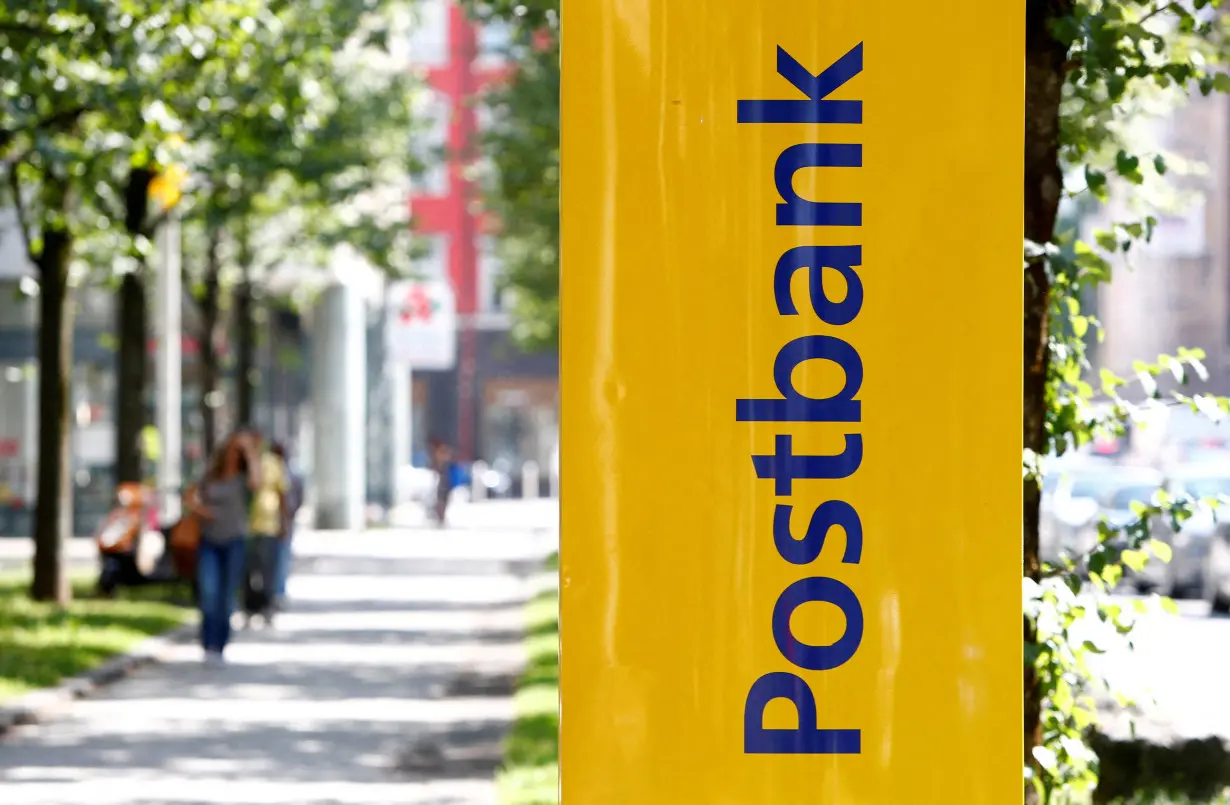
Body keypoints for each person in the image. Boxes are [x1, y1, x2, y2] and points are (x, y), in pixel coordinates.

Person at [186, 432, 260, 666]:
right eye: (231, 449)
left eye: (238, 452)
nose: (233, 455)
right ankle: (208, 644)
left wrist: (249, 450)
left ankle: (220, 645)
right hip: (209, 540)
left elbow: (257, 483)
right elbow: (189, 496)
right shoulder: (211, 475)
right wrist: (202, 512)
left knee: (226, 596)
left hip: (234, 541)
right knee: (209, 594)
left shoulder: (243, 477)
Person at [244, 429, 290, 625]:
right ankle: (250, 607)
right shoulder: (242, 464)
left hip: (268, 523)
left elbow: (282, 493)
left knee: (267, 568)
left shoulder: (273, 462)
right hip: (245, 525)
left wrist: (284, 521)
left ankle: (267, 606)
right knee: (247, 570)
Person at [270, 441, 304, 609]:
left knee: (282, 558)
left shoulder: (292, 475)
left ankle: (279, 592)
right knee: (273, 560)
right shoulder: (268, 471)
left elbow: (298, 497)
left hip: (285, 521)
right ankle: (272, 594)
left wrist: (289, 516)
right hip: (268, 523)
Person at [429, 438, 454, 527]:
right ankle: (440, 516)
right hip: (441, 483)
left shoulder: (444, 458)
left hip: (445, 483)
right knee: (440, 499)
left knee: (443, 500)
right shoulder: (438, 457)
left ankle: (441, 517)